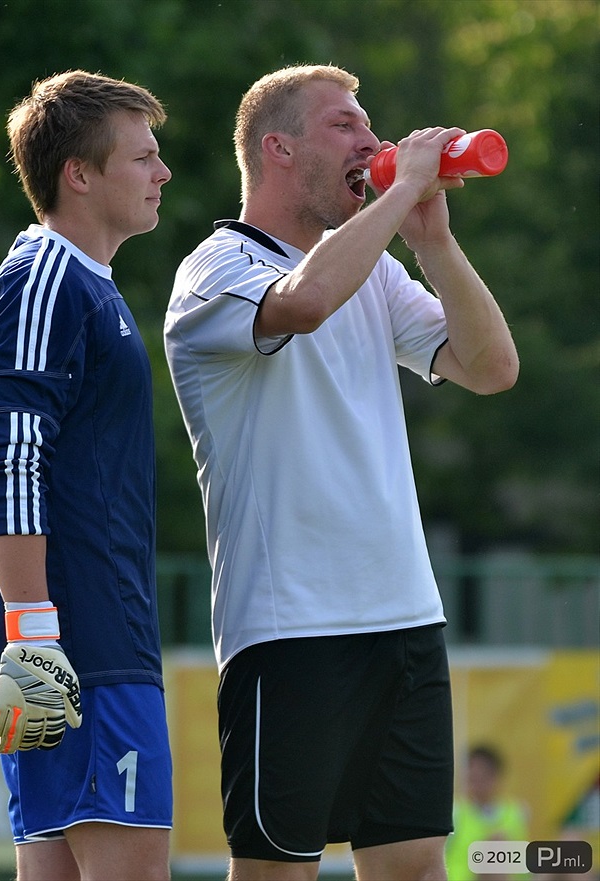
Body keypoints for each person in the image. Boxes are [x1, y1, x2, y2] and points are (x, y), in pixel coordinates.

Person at [164, 64, 519, 881]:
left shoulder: (377, 268)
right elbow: (303, 301)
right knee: (277, 872)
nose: (374, 141)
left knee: (415, 867)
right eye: (346, 126)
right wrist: (400, 200)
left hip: (403, 619)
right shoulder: (217, 270)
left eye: (371, 126)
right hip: (292, 630)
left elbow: (492, 366)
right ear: (278, 148)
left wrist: (433, 238)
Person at [0, 70, 173, 881]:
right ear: (78, 174)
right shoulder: (46, 278)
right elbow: (8, 454)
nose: (162, 173)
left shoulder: (88, 286)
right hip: (78, 645)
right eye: (144, 157)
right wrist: (34, 628)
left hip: (72, 637)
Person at [446, 745, 529, 881]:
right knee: (496, 845)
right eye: (473, 777)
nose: (477, 783)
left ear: (495, 777)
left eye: (483, 776)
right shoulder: (456, 814)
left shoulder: (518, 812)